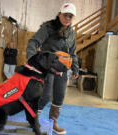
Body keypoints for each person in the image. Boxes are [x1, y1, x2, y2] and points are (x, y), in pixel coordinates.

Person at [26, 3, 79, 135]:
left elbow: (73, 53)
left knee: (59, 97)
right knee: (45, 96)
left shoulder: (72, 33)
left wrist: (75, 68)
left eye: (70, 16)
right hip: (47, 67)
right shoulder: (48, 27)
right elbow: (33, 42)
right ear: (59, 14)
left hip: (63, 70)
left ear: (73, 18)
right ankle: (33, 119)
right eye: (65, 15)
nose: (67, 18)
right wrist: (33, 61)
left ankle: (53, 122)